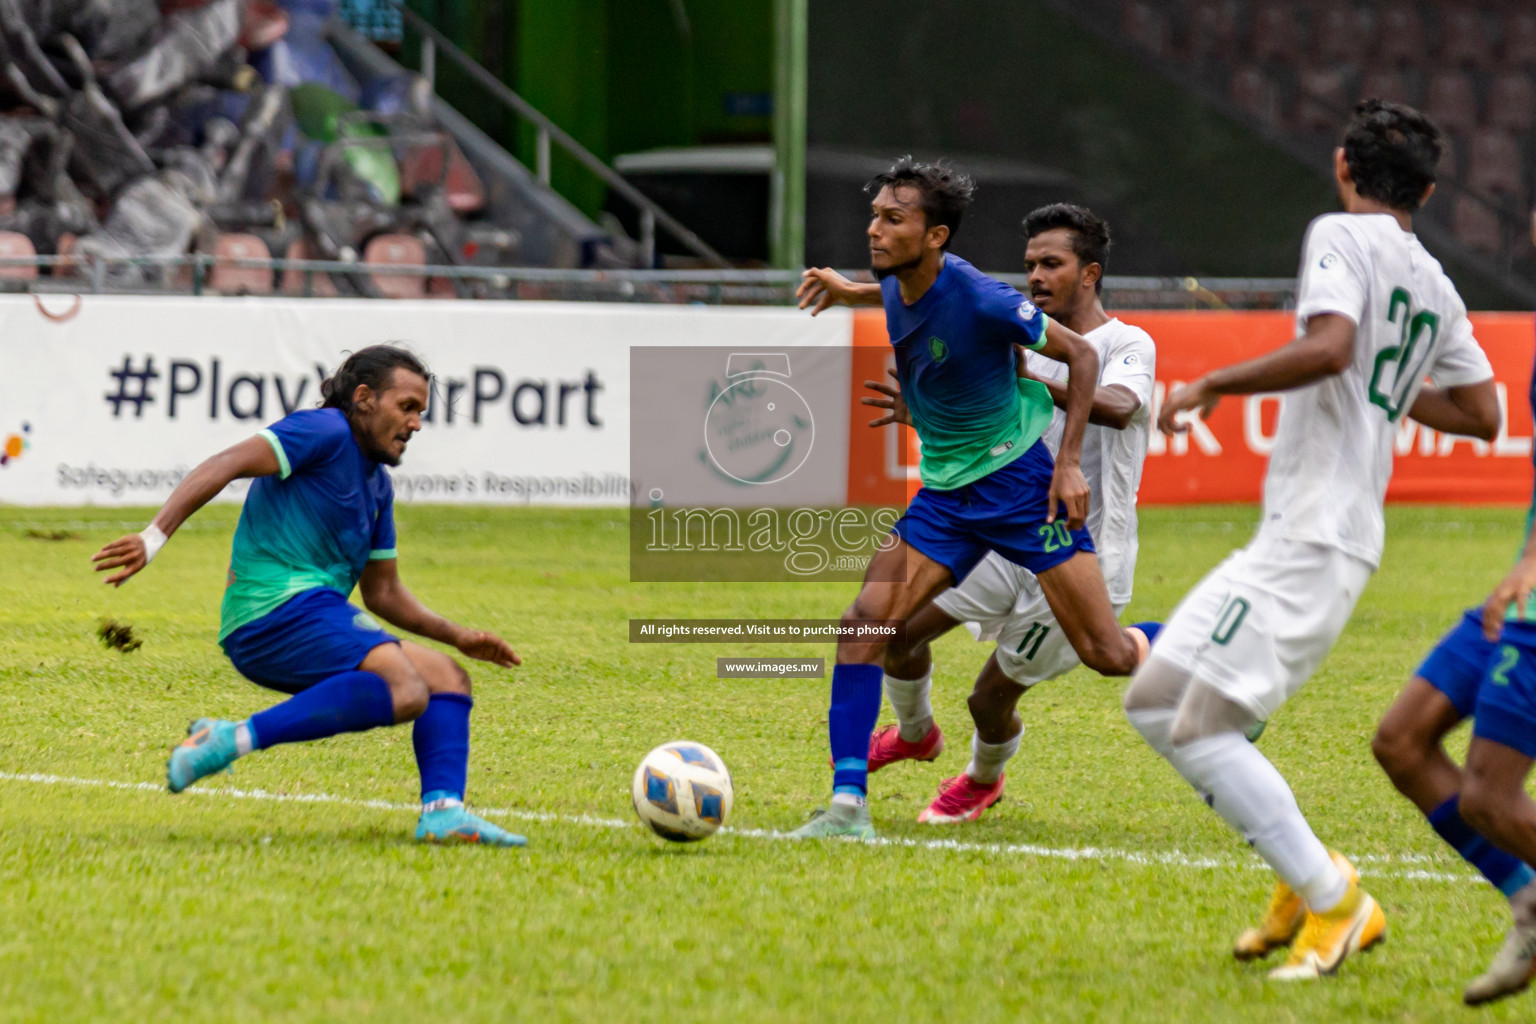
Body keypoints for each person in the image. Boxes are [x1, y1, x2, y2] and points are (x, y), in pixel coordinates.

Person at [1125, 99, 1498, 980]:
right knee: (1154, 699)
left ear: (1341, 165)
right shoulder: (1436, 281)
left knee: (1199, 725)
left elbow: (1330, 348)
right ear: (1430, 190)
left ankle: (1337, 901)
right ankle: (1304, 880)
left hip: (1313, 539)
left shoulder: (1340, 232)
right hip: (1313, 538)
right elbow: (1485, 413)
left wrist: (1212, 379)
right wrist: (1391, 383)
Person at [789, 157, 1151, 840]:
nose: (875, 228)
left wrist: (1067, 464)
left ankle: (1195, 655)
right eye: (875, 214)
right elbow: (902, 300)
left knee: (1106, 653)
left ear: (936, 236)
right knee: (866, 622)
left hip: (1021, 492)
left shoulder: (985, 296)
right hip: (948, 497)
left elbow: (1083, 358)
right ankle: (847, 805)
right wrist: (848, 291)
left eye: (894, 219)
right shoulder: (897, 280)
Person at [90, 345, 528, 847]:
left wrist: (460, 636)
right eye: (407, 407)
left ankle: (444, 813)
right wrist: (153, 536)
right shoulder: (324, 431)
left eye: (421, 412)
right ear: (364, 398)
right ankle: (226, 740)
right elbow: (227, 462)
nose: (416, 424)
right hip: (272, 611)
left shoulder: (377, 486)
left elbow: (382, 592)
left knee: (448, 679)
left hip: (308, 618)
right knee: (406, 690)